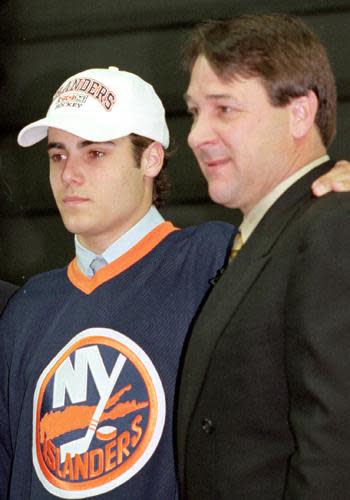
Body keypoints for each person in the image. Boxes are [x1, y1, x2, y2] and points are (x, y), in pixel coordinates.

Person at [0, 66, 235, 499]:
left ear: (150, 158)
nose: (69, 174)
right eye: (58, 154)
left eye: (95, 153)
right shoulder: (28, 308)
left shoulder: (215, 260)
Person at [177, 14, 350, 499]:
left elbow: (335, 446)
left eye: (224, 109)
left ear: (299, 113)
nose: (195, 135)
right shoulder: (273, 234)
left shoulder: (332, 225)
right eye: (194, 111)